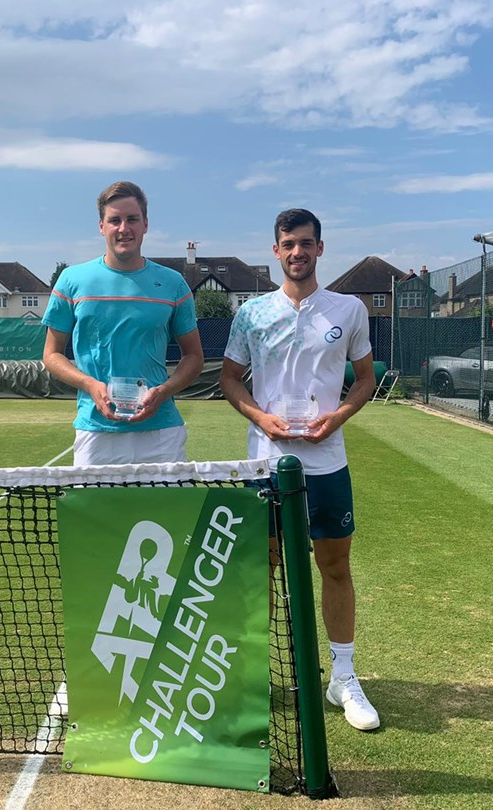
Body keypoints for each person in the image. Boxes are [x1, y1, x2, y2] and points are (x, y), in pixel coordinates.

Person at [219, 208, 380, 731]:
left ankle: (344, 678)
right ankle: (251, 677)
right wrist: (259, 416)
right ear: (276, 251)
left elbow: (363, 379)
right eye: (288, 244)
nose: (297, 252)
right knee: (260, 570)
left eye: (306, 243)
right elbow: (230, 380)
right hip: (266, 464)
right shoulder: (251, 314)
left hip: (328, 464)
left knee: (335, 568)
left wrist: (340, 415)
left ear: (320, 248)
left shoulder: (349, 309)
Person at [41, 181, 204, 466]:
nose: (123, 228)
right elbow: (51, 354)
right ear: (102, 226)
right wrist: (90, 385)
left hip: (161, 432)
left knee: (166, 513)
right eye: (114, 220)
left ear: (145, 224)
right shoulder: (71, 280)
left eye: (132, 219)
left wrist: (163, 391)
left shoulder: (173, 283)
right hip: (96, 431)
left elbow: (194, 356)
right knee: (95, 513)